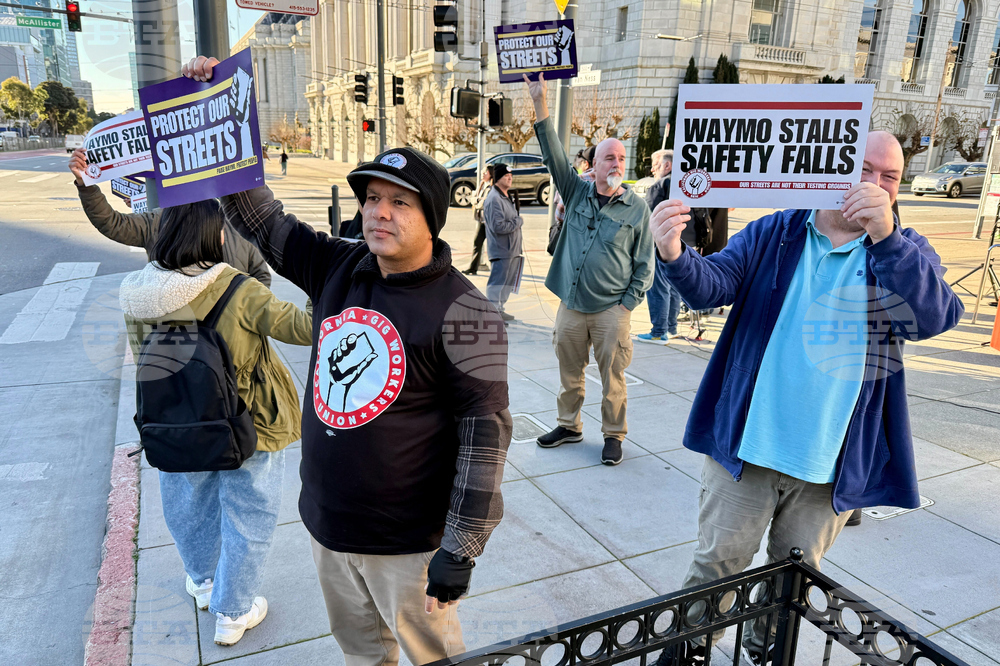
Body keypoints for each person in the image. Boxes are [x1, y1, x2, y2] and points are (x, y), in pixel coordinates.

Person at [183, 52, 512, 666]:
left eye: (400, 203)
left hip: (408, 549)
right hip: (329, 529)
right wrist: (215, 112)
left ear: (432, 219)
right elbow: (260, 218)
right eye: (372, 199)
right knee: (363, 657)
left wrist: (461, 550)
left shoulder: (468, 311)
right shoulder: (339, 265)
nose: (379, 212)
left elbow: (485, 435)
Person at [648, 131, 964, 665]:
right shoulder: (778, 231)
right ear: (835, 167)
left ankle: (766, 651)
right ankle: (690, 651)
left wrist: (886, 239)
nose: (876, 184)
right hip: (746, 449)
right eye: (865, 168)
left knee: (791, 580)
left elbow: (934, 317)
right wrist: (674, 253)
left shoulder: (904, 249)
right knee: (716, 565)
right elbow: (712, 286)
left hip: (827, 463)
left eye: (890, 176)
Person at [119, 200, 311, 646]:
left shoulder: (137, 294)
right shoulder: (236, 289)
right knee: (250, 514)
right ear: (217, 237)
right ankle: (233, 611)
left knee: (189, 505)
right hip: (251, 422)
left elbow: (143, 356)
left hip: (176, 421)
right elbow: (302, 327)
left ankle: (203, 582)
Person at [525, 73, 655, 466]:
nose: (616, 163)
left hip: (610, 310)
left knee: (613, 379)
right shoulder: (576, 190)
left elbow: (645, 264)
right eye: (608, 158)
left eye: (620, 158)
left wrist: (625, 307)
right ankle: (569, 425)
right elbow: (553, 153)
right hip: (571, 304)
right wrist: (539, 100)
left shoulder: (637, 209)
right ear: (593, 165)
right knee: (569, 372)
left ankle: (613, 435)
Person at [68, 148, 271, 285]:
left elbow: (261, 275)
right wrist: (87, 185)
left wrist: (246, 315)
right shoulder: (160, 220)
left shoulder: (237, 224)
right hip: (181, 340)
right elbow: (112, 223)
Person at [637, 149, 682, 343]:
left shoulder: (661, 184)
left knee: (657, 287)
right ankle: (671, 327)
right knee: (673, 286)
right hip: (682, 243)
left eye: (656, 165)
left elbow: (647, 215)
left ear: (667, 165)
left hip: (660, 243)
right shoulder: (683, 184)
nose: (653, 170)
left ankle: (659, 331)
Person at [483, 163, 523, 321]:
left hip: (511, 249)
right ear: (497, 178)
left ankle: (499, 309)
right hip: (501, 250)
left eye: (511, 176)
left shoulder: (505, 196)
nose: (509, 178)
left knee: (506, 283)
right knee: (497, 283)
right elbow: (498, 226)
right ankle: (492, 314)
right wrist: (518, 222)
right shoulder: (494, 199)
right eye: (506, 176)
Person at [549, 147, 595, 255]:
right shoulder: (610, 183)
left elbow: (560, 214)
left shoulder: (578, 180)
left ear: (586, 164)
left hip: (574, 240)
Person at [463, 165, 494, 276]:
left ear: (491, 174)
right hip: (482, 221)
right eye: (482, 172)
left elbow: (483, 203)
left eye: (485, 172)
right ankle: (472, 268)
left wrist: (474, 200)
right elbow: (477, 201)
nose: (482, 174)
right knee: (477, 243)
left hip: (490, 222)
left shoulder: (491, 188)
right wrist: (476, 200)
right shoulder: (482, 185)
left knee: (494, 247)